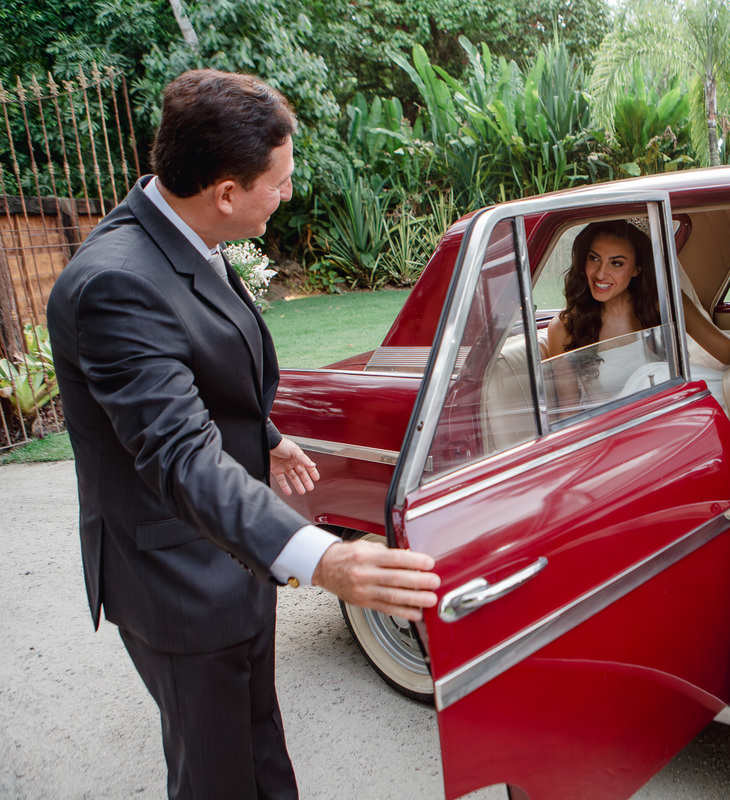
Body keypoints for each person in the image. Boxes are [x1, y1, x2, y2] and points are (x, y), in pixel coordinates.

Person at [46, 69, 440, 800]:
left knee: (258, 744)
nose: (287, 194)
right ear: (226, 192)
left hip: (236, 554)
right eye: (279, 182)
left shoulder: (184, 232)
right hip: (180, 579)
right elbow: (178, 451)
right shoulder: (115, 285)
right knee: (217, 773)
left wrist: (266, 436)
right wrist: (324, 558)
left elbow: (198, 369)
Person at [544, 220, 730, 405]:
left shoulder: (664, 304)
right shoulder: (565, 327)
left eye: (616, 263)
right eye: (594, 258)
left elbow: (729, 352)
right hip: (618, 427)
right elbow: (568, 412)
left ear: (637, 269)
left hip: (675, 410)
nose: (601, 273)